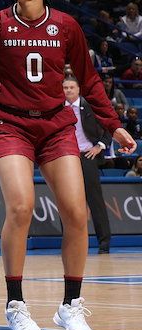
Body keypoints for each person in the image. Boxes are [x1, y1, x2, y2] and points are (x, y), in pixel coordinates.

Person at [0, 0, 135, 330]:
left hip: (57, 127)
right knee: (21, 206)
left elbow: (90, 82)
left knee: (77, 213)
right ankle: (16, 306)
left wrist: (114, 127)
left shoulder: (67, 26)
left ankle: (70, 305)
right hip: (10, 125)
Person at [63, 76, 113, 254]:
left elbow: (108, 128)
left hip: (87, 157)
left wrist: (100, 146)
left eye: (71, 87)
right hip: (66, 159)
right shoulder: (59, 110)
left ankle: (104, 243)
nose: (68, 90)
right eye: (65, 88)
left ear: (78, 90)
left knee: (95, 200)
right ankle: (70, 243)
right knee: (67, 202)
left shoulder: (89, 106)